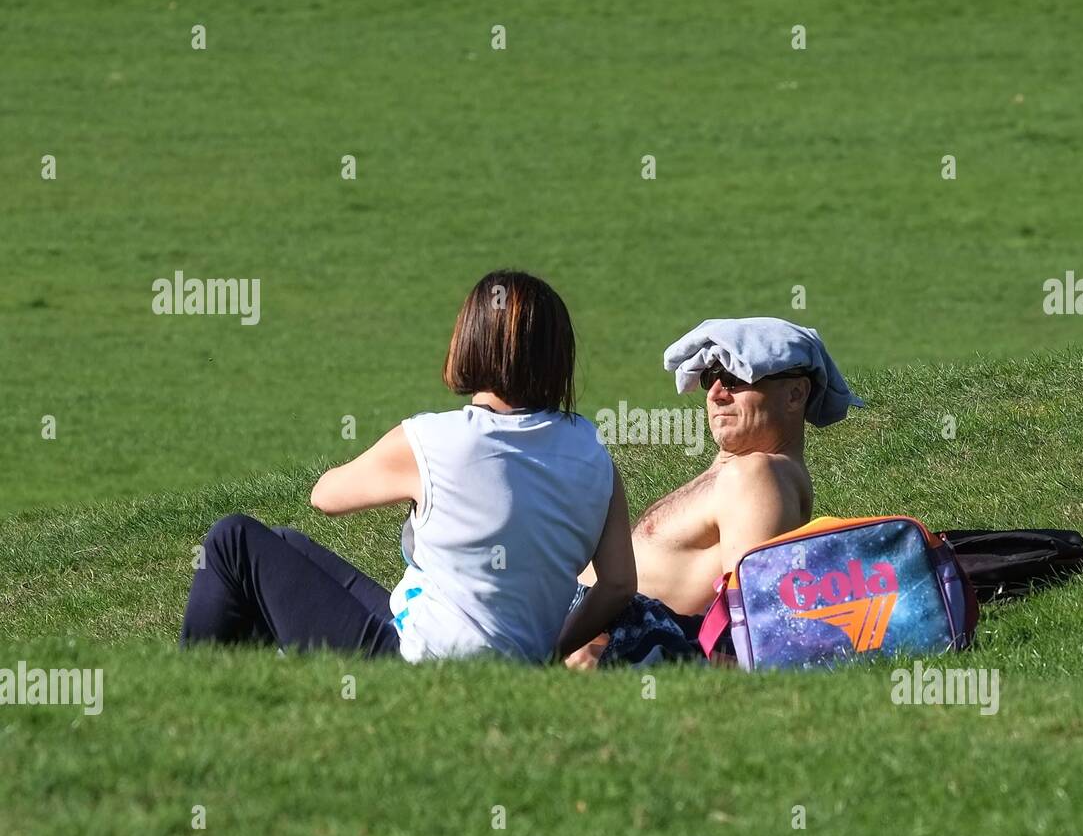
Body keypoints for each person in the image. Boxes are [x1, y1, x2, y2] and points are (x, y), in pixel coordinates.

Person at [180, 271, 637, 664]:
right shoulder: (592, 452)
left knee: (232, 541)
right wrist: (548, 653)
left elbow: (325, 496)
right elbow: (617, 585)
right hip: (512, 660)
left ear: (473, 339)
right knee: (282, 543)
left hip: (417, 661)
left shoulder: (439, 440)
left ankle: (187, 693)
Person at [566, 317, 863, 668]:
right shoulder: (738, 472)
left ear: (795, 393)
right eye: (711, 377)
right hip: (590, 626)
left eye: (735, 379)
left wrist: (596, 648)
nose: (716, 393)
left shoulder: (758, 474)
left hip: (615, 642)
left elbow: (755, 621)